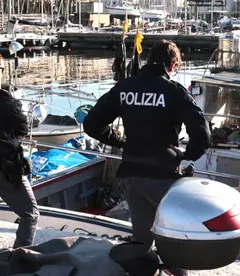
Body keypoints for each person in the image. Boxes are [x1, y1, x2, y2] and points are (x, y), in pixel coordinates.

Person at [83, 40, 211, 254]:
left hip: (132, 173)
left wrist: (120, 141)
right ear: (173, 66)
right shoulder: (174, 91)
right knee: (174, 240)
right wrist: (186, 155)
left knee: (142, 240)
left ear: (149, 61)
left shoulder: (125, 87)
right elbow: (202, 133)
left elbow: (91, 124)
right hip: (163, 174)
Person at [0, 48, 39, 248]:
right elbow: (22, 128)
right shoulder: (2, 98)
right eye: (2, 69)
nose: (2, 73)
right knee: (30, 213)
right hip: (3, 165)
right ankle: (20, 256)